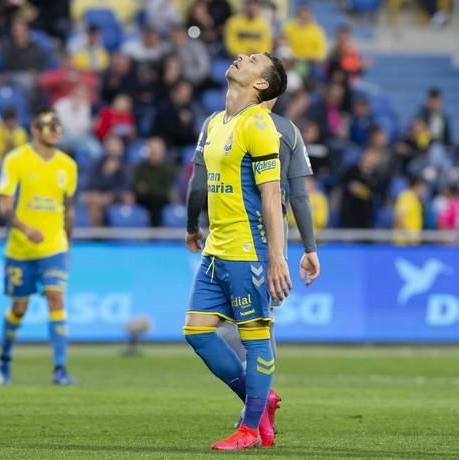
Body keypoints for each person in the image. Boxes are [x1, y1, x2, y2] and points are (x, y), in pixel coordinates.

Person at [184, 53, 290, 451]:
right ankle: (261, 400)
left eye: (253, 60)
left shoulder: (259, 125)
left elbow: (272, 193)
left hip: (248, 249)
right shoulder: (214, 122)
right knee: (196, 331)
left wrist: (276, 256)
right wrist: (194, 226)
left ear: (261, 84)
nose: (242, 57)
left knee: (254, 337)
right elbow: (200, 181)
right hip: (216, 247)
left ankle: (249, 428)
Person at [215, 97, 322, 446]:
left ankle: (258, 405)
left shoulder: (230, 124)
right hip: (268, 237)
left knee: (220, 325)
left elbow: (204, 183)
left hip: (242, 236)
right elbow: (300, 196)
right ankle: (262, 403)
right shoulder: (288, 131)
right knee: (256, 322)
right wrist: (308, 248)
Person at [0, 111, 78, 385]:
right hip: (21, 248)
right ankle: (4, 360)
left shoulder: (68, 165)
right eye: (49, 125)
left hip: (54, 246)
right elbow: (4, 205)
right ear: (34, 128)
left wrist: (68, 242)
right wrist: (25, 228)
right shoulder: (16, 159)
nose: (55, 130)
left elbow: (68, 209)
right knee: (19, 307)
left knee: (56, 298)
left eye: (58, 125)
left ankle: (60, 369)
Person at [393, 176, 426, 245]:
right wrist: (409, 237)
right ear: (416, 186)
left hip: (411, 242)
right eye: (422, 187)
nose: (424, 191)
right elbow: (399, 217)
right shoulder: (407, 197)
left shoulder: (415, 199)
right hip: (404, 243)